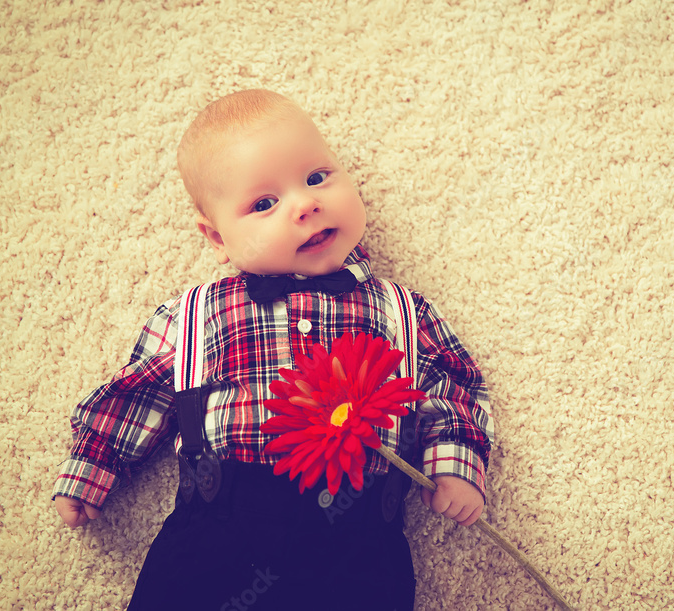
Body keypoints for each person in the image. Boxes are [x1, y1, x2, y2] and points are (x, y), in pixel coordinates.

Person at [52, 89, 494, 610]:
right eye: (264, 204)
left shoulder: (403, 310)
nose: (305, 204)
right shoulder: (196, 313)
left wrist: (454, 462)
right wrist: (91, 469)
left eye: (317, 178)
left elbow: (454, 385)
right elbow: (136, 394)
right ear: (217, 239)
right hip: (216, 530)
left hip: (356, 538)